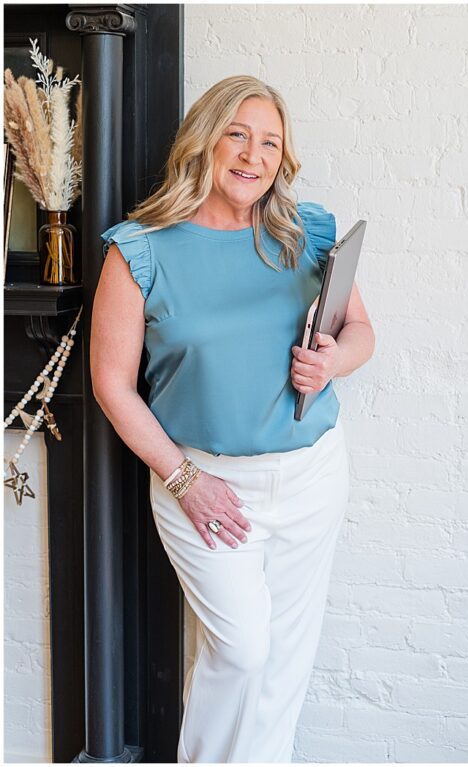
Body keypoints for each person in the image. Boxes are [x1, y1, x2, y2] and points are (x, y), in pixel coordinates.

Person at [91, 75, 374, 762]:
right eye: (238, 135)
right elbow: (110, 384)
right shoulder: (141, 248)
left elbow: (362, 332)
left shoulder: (306, 235)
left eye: (270, 142)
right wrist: (184, 479)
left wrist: (333, 360)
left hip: (309, 475)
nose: (254, 155)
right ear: (205, 141)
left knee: (284, 664)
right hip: (202, 482)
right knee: (242, 650)